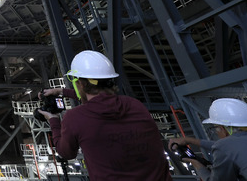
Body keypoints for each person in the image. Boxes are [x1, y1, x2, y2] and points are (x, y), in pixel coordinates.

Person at [37, 50, 172, 181]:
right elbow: (100, 101)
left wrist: (53, 120)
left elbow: (66, 153)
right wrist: (61, 91)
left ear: (80, 84)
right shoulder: (135, 105)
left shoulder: (75, 117)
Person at [168, 97, 247, 180]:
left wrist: (195, 163)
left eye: (216, 129)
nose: (216, 132)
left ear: (223, 129)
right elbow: (229, 149)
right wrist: (189, 140)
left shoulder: (226, 146)